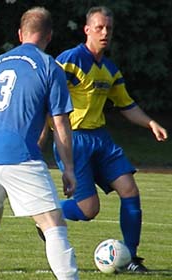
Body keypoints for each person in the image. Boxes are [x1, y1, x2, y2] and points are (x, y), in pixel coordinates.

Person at [38, 5, 168, 273]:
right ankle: (47, 217)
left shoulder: (109, 69)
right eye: (99, 27)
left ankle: (130, 257)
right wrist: (41, 133)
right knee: (88, 210)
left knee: (130, 189)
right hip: (73, 140)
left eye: (109, 28)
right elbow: (47, 94)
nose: (105, 32)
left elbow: (126, 105)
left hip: (101, 139)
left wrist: (151, 122)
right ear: (87, 30)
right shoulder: (71, 60)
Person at [0, 7, 79, 280]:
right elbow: (61, 124)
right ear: (49, 36)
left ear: (20, 34)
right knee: (53, 224)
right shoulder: (50, 66)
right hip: (16, 154)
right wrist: (69, 168)